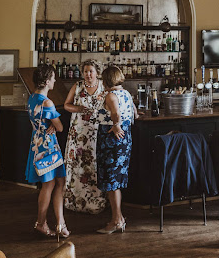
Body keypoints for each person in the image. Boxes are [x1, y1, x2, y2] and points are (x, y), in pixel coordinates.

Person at [25, 64, 70, 240]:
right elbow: (59, 127)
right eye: (52, 77)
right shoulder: (47, 102)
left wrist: (50, 124)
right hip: (49, 148)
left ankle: (59, 223)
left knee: (55, 183)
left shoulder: (32, 98)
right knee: (52, 184)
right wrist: (53, 124)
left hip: (37, 146)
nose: (54, 80)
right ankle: (42, 223)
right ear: (46, 80)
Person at [95, 65, 138, 233]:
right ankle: (118, 218)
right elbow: (134, 113)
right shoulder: (126, 93)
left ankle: (116, 220)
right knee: (116, 180)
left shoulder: (111, 95)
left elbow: (116, 114)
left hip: (111, 140)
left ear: (106, 80)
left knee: (112, 181)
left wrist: (116, 125)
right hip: (124, 140)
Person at [64, 60, 107, 213]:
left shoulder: (104, 86)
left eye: (91, 71)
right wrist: (78, 108)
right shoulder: (77, 86)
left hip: (96, 133)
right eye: (86, 71)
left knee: (94, 165)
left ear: (97, 72)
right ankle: (73, 201)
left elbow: (115, 103)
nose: (88, 74)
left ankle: (95, 203)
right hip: (78, 133)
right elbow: (66, 105)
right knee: (77, 165)